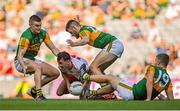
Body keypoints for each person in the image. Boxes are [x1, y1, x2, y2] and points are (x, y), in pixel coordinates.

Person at [82, 53, 174, 100]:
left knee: (110, 78)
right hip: (134, 90)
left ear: (158, 62)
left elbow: (149, 82)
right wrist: (162, 98)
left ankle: (85, 76)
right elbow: (171, 100)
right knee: (114, 84)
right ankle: (92, 93)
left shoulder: (153, 68)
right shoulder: (168, 80)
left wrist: (149, 98)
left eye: (155, 60)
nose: (154, 62)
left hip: (132, 92)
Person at [14, 15, 60, 102]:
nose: (39, 28)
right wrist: (23, 65)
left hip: (32, 59)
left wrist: (61, 56)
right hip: (20, 61)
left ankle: (33, 91)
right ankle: (39, 95)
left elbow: (53, 48)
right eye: (36, 26)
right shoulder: (26, 36)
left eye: (40, 25)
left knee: (55, 73)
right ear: (30, 25)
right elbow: (20, 55)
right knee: (37, 67)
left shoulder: (43, 34)